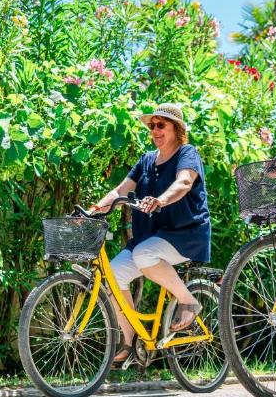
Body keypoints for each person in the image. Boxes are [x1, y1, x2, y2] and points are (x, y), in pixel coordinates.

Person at [90, 102, 211, 364]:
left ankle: (188, 301)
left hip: (185, 234)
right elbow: (120, 190)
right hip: (150, 237)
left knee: (146, 255)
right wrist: (95, 209)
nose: (155, 130)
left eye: (161, 125)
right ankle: (130, 338)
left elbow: (184, 182)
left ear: (176, 129)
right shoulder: (146, 160)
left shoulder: (187, 154)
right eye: (152, 126)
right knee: (112, 276)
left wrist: (161, 200)